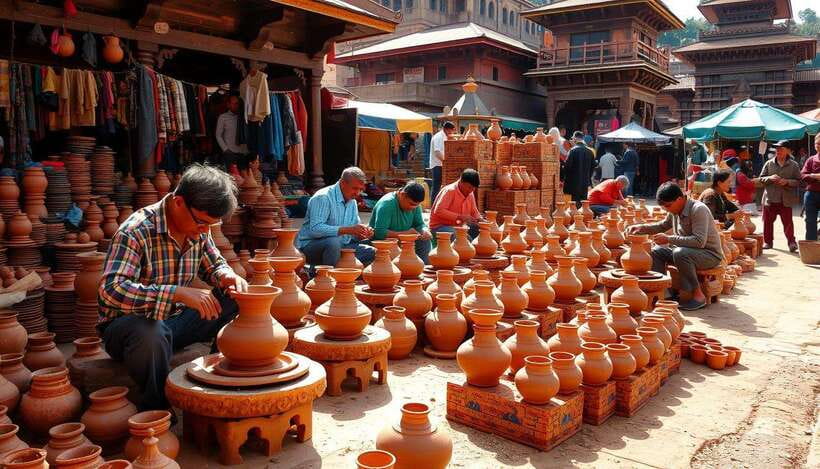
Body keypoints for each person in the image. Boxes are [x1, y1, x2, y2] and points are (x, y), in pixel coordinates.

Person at [98, 164, 248, 411]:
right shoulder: (136, 231)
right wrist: (175, 293)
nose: (204, 231)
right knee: (150, 331)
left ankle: (217, 379)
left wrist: (227, 276)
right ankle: (157, 409)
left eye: (210, 226)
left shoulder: (199, 227)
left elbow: (214, 265)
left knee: (237, 298)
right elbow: (111, 290)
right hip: (130, 330)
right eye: (202, 223)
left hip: (174, 323)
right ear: (178, 202)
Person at [627, 182, 723, 311]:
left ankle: (698, 295)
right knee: (657, 251)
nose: (667, 209)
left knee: (679, 253)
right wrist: (641, 228)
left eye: (668, 206)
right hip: (688, 252)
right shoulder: (675, 209)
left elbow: (699, 241)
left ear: (679, 199)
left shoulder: (698, 209)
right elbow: (662, 226)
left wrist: (669, 238)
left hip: (709, 255)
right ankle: (665, 294)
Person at [297, 167, 376, 266]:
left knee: (373, 251)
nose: (358, 193)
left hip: (342, 246)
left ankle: (341, 268)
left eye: (360, 189)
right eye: (355, 188)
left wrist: (361, 234)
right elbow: (315, 229)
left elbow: (352, 233)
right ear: (342, 183)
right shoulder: (323, 197)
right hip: (312, 247)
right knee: (333, 242)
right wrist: (348, 230)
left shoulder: (352, 202)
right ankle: (327, 276)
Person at [369, 182, 432, 263]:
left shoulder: (415, 205)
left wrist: (425, 230)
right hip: (385, 244)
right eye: (411, 204)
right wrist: (405, 234)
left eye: (417, 205)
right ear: (402, 194)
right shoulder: (387, 204)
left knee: (425, 241)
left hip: (404, 242)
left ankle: (422, 269)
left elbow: (419, 224)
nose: (414, 208)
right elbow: (379, 233)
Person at [757, 140, 800, 252]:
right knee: (767, 222)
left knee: (788, 223)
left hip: (785, 199)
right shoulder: (769, 163)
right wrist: (769, 178)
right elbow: (761, 178)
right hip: (770, 199)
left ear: (788, 151)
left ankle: (791, 243)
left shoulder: (794, 165)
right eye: (777, 148)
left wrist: (787, 182)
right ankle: (768, 242)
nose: (778, 151)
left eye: (781, 148)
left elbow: (799, 182)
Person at [430, 168, 484, 239]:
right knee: (463, 238)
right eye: (469, 187)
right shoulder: (450, 191)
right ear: (461, 181)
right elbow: (439, 210)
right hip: (439, 226)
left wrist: (480, 220)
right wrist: (460, 217)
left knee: (481, 230)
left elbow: (474, 212)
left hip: (457, 226)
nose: (471, 190)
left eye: (473, 188)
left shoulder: (470, 193)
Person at [562, 131, 595, 205]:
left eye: (573, 138)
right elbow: (592, 168)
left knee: (573, 206)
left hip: (572, 184)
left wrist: (563, 176)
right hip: (585, 184)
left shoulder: (573, 150)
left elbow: (567, 167)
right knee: (583, 205)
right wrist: (587, 178)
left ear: (575, 139)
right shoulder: (590, 152)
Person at [214, 96, 247, 169]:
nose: (236, 106)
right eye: (234, 104)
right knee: (232, 177)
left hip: (244, 152)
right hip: (230, 153)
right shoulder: (223, 117)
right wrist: (225, 149)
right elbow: (218, 135)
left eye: (237, 104)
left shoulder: (244, 117)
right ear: (228, 105)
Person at [800, 133, 820, 241]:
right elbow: (802, 175)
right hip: (811, 195)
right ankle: (811, 245)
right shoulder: (811, 160)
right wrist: (815, 177)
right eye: (817, 143)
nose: (818, 146)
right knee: (810, 221)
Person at [429, 121, 456, 202]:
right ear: (447, 129)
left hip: (441, 164)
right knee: (436, 186)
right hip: (437, 165)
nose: (452, 133)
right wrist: (446, 162)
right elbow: (437, 152)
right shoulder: (439, 137)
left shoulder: (444, 136)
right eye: (451, 131)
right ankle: (433, 205)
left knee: (440, 186)